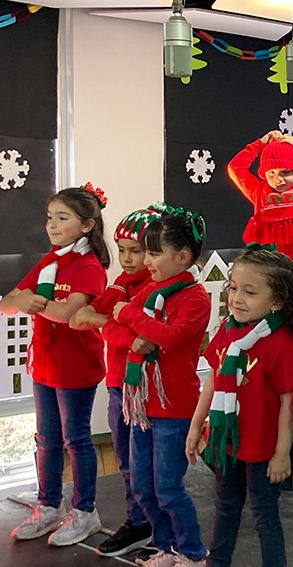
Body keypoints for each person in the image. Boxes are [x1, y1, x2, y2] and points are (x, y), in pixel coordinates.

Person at [185, 245, 293, 567]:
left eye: (249, 292)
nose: (237, 299)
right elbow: (213, 379)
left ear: (277, 301)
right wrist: (196, 426)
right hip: (227, 442)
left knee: (265, 515)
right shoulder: (227, 330)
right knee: (225, 507)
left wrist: (282, 453)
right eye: (234, 288)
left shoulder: (281, 343)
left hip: (262, 448)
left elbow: (288, 402)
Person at [4, 184, 110, 546]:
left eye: (62, 218)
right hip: (45, 365)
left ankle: (85, 512)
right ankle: (49, 505)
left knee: (75, 438)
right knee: (46, 439)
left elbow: (68, 314)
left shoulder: (88, 267)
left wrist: (32, 302)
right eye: (50, 217)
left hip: (76, 368)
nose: (51, 225)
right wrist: (23, 300)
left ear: (87, 225)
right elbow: (7, 303)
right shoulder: (49, 262)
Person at [113, 206, 211, 566]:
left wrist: (130, 316)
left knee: (168, 488)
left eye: (154, 254)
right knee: (142, 485)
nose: (146, 261)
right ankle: (165, 545)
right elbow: (112, 323)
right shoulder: (153, 290)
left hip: (174, 408)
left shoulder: (195, 298)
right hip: (143, 406)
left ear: (182, 257)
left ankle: (193, 552)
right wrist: (134, 333)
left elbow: (168, 336)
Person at [71, 206, 161, 556]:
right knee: (125, 461)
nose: (127, 259)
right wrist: (118, 326)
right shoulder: (121, 284)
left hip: (146, 389)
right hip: (117, 385)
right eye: (122, 250)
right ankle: (137, 521)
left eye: (136, 251)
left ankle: (159, 527)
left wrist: (109, 324)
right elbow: (80, 317)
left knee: (148, 463)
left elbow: (147, 337)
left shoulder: (158, 289)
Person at [227, 130, 293, 326]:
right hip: (266, 275)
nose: (278, 179)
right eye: (271, 173)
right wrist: (259, 144)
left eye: (286, 172)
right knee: (264, 330)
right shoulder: (259, 192)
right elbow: (235, 167)